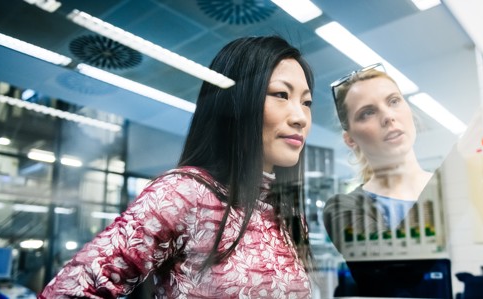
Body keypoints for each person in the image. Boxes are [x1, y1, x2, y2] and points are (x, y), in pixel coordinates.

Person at [39, 35, 315, 299]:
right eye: (281, 94)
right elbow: (69, 291)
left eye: (307, 102)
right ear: (237, 102)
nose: (301, 117)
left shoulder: (288, 214)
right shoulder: (184, 194)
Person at [323, 64, 435, 296]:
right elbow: (397, 278)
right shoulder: (343, 209)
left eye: (393, 101)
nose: (388, 116)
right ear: (350, 139)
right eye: (367, 112)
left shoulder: (454, 187)